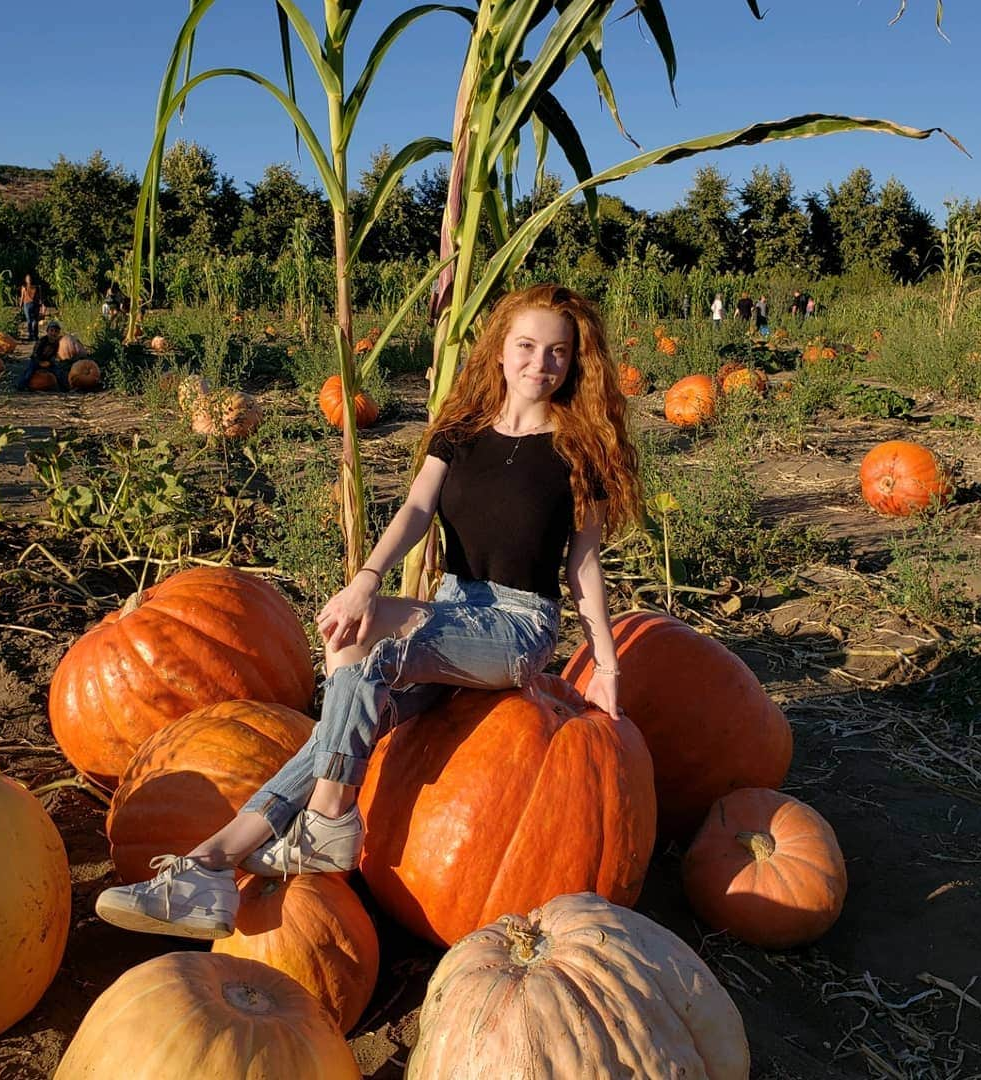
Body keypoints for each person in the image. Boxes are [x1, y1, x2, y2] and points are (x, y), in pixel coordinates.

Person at [93, 283, 643, 940]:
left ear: (573, 361)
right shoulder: (459, 431)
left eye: (557, 352)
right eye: (526, 346)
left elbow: (583, 567)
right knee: (347, 697)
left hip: (517, 628)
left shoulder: (579, 450)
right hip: (447, 612)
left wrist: (605, 664)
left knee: (368, 652)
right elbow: (414, 512)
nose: (539, 363)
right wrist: (366, 580)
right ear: (500, 350)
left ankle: (325, 818)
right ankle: (210, 866)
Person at [16, 319, 69, 390]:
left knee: (58, 372)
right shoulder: (41, 341)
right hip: (36, 361)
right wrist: (39, 362)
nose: (53, 333)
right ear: (47, 331)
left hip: (48, 361)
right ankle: (20, 386)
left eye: (56, 331)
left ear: (58, 333)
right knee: (29, 372)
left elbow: (54, 354)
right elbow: (35, 353)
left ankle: (64, 388)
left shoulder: (56, 343)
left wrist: (49, 362)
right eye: (51, 330)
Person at [18, 274, 42, 341]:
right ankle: (33, 335)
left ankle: (33, 335)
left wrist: (20, 305)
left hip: (31, 304)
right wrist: (20, 305)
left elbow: (39, 297)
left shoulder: (35, 287)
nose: (29, 280)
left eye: (29, 278)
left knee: (32, 320)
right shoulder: (25, 287)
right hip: (30, 304)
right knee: (32, 320)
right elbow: (22, 297)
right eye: (28, 279)